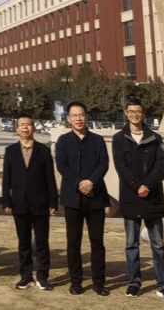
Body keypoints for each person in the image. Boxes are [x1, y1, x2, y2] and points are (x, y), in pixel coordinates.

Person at [112, 99, 164, 301]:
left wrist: (147, 185)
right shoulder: (119, 138)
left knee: (158, 244)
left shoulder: (154, 138)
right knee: (131, 244)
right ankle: (134, 282)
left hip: (152, 197)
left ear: (143, 113)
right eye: (131, 111)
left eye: (138, 111)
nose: (134, 114)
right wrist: (136, 186)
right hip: (130, 197)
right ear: (126, 113)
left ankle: (163, 284)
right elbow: (121, 167)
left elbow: (160, 165)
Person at [55, 101, 110, 296]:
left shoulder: (97, 140)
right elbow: (61, 165)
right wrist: (79, 183)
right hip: (73, 198)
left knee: (97, 242)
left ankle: (99, 282)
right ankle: (76, 281)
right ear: (68, 119)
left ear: (86, 117)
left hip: (96, 197)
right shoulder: (63, 141)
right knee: (73, 242)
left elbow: (104, 163)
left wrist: (91, 182)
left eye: (81, 115)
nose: (78, 119)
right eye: (74, 115)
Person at [2, 114, 57, 291]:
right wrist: (6, 201)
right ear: (17, 129)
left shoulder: (43, 150)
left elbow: (50, 178)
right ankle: (25, 276)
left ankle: (43, 277)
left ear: (33, 128)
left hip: (40, 203)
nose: (25, 128)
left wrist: (53, 202)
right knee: (23, 243)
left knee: (42, 243)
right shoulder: (10, 151)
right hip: (19, 203)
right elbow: (6, 179)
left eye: (28, 124)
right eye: (22, 125)